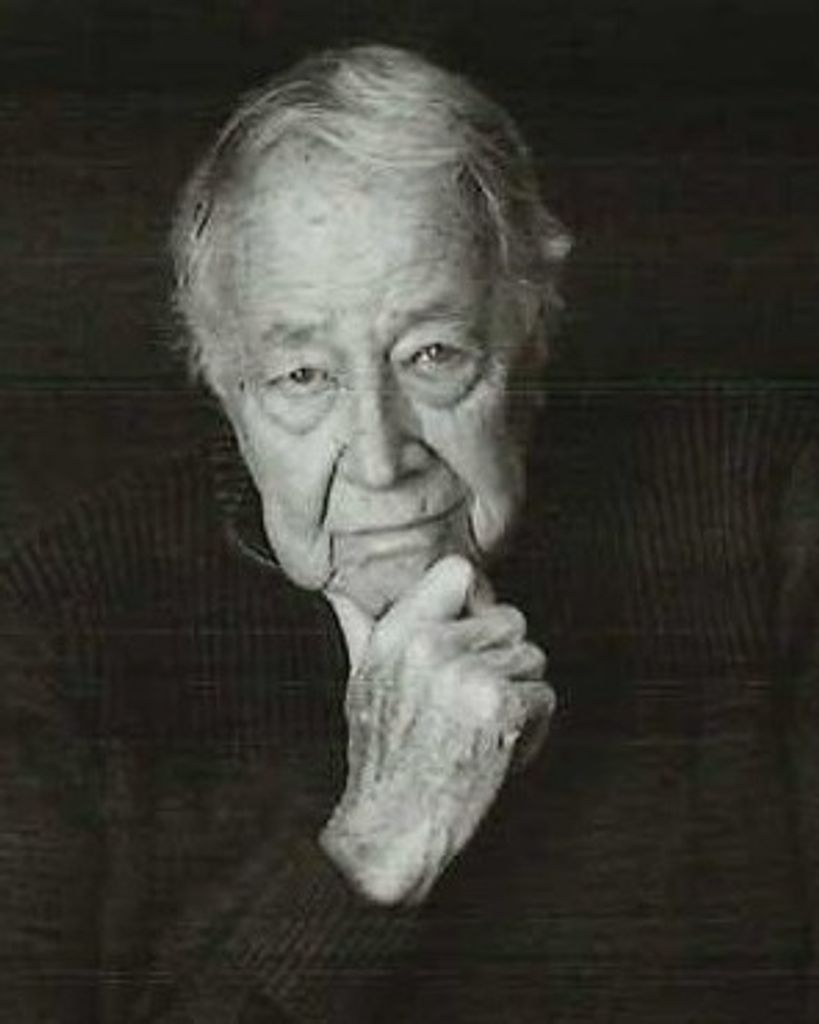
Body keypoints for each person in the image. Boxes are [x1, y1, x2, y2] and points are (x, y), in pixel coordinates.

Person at [1, 43, 817, 1023]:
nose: (381, 459)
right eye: (303, 377)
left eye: (432, 356)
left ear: (528, 334)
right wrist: (376, 845)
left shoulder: (762, 509)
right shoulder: (57, 628)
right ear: (223, 385)